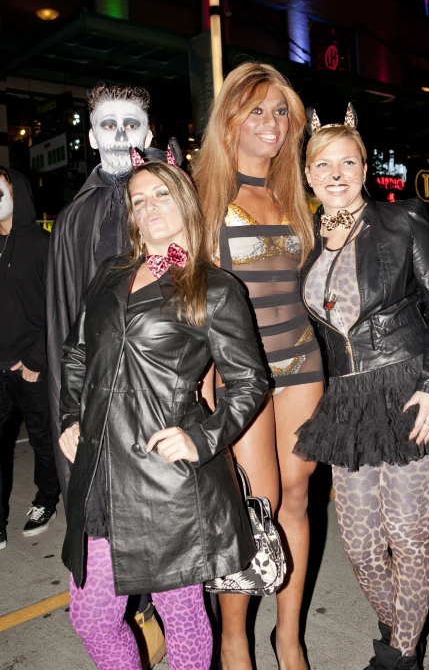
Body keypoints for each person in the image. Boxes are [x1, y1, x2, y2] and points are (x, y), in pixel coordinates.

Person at [293, 109, 429, 670]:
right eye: (323, 165)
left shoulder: (404, 218)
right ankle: (403, 617)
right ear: (308, 175)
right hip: (349, 400)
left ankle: (402, 653)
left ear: (365, 169)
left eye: (348, 162)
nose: (336, 174)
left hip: (412, 384)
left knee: (407, 534)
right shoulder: (307, 237)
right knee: (360, 546)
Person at [58, 152, 268, 670]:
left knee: (183, 617)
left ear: (186, 203)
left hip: (169, 480)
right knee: (90, 617)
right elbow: (79, 351)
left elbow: (249, 381)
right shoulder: (111, 271)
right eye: (139, 199)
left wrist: (202, 439)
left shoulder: (215, 287)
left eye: (162, 194)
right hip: (102, 469)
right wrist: (68, 417)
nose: (150, 206)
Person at [193, 62, 323, 670]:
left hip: (301, 361)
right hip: (238, 373)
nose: (271, 123)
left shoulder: (299, 193)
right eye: (257, 111)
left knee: (296, 498)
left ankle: (289, 638)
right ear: (229, 122)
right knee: (254, 506)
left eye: (280, 112)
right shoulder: (201, 197)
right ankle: (235, 637)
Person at [46, 82, 165, 663]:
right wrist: (70, 413)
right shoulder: (74, 220)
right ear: (91, 135)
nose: (119, 134)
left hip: (167, 410)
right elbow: (62, 332)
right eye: (107, 124)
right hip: (97, 410)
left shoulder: (173, 201)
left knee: (178, 578)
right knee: (99, 565)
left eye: (130, 123)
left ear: (148, 130)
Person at [0, 167, 60, 549]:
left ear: (15, 193)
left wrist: (38, 359)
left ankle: (45, 501)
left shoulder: (41, 243)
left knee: (42, 439)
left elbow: (58, 306)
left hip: (31, 366)